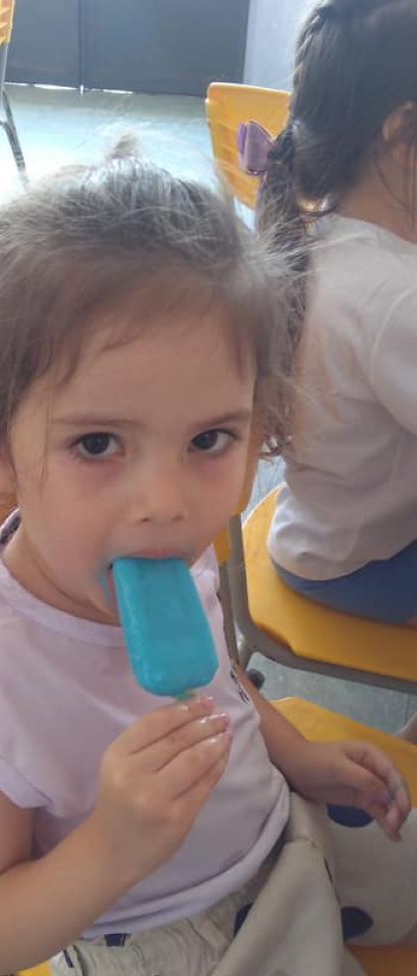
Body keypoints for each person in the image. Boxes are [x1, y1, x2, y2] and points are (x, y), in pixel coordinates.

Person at [0, 146, 417, 976]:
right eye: (98, 444)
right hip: (169, 949)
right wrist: (113, 844)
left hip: (279, 819)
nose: (167, 501)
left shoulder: (175, 551)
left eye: (211, 438)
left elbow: (222, 679)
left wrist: (298, 755)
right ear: (0, 450)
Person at [256, 0, 417, 742]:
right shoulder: (393, 297)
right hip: (362, 561)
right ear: (402, 134)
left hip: (320, 529)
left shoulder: (322, 235)